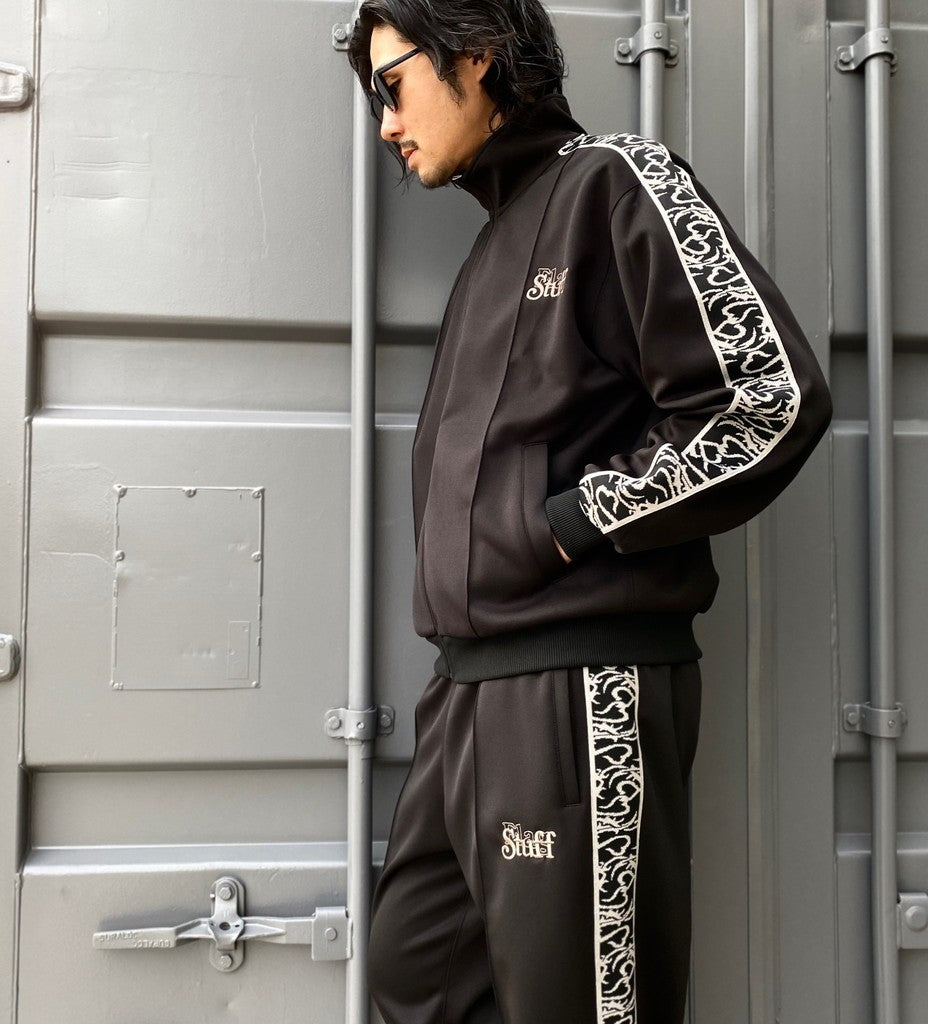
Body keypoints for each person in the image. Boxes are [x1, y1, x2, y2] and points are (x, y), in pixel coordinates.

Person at [347, 3, 832, 1023]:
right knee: (415, 976)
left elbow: (766, 398)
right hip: (465, 694)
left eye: (392, 85)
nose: (384, 123)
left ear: (476, 55)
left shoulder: (613, 182)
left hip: (579, 692)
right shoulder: (494, 246)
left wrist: (568, 521)